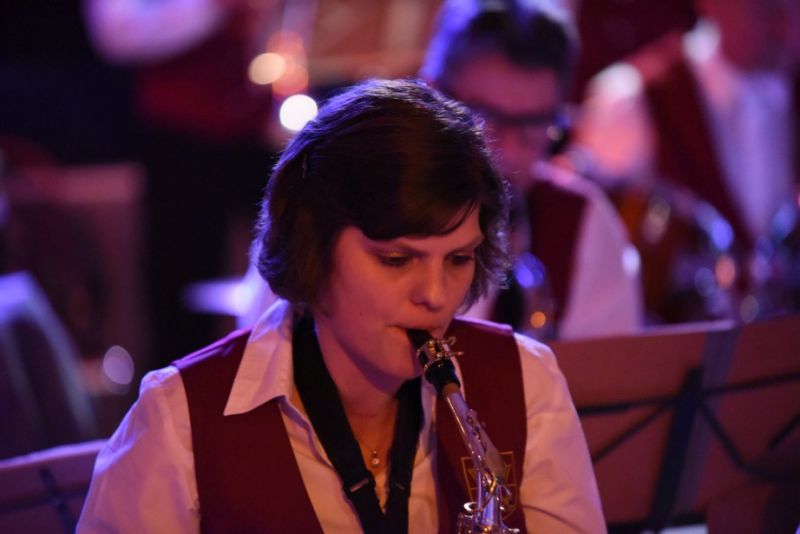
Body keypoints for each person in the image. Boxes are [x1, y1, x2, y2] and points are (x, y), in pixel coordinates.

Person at [77, 78, 604, 532]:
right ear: (313, 246)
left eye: (458, 259)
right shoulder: (179, 421)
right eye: (396, 259)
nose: (436, 296)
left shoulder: (527, 382)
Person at [419, 0, 643, 339]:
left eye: (533, 124)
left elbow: (607, 369)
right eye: (486, 119)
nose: (508, 153)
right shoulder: (365, 199)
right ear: (431, 94)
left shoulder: (582, 223)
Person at [574, 0, 800, 322]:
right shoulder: (633, 99)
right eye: (768, 10)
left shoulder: (790, 89)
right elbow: (598, 261)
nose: (788, 29)